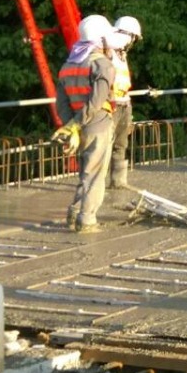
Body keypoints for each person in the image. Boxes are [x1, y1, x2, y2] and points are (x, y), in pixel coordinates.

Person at [54, 15, 118, 233]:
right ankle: (86, 219)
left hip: (76, 126)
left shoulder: (68, 65)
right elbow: (97, 101)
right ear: (101, 39)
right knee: (95, 174)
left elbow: (61, 102)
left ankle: (74, 213)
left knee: (85, 171)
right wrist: (77, 124)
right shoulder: (102, 65)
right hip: (96, 122)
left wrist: (70, 126)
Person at [107, 15, 141, 190]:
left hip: (124, 103)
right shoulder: (109, 52)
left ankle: (118, 181)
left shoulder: (122, 55)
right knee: (105, 145)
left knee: (121, 144)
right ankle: (99, 183)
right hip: (111, 105)